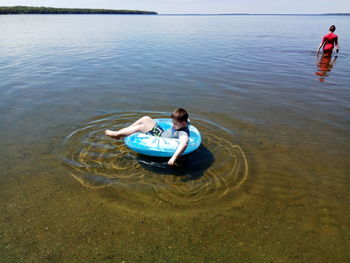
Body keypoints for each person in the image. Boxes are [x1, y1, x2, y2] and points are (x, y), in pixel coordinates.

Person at [105, 108, 190, 166]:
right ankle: (125, 130)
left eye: (175, 124)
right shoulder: (182, 124)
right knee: (145, 118)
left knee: (140, 127)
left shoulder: (182, 132)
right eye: (172, 122)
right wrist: (187, 121)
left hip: (159, 138)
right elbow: (188, 120)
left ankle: (117, 134)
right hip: (161, 133)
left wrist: (173, 158)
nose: (173, 125)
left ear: (183, 123)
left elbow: (184, 144)